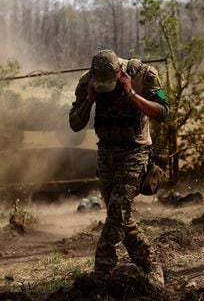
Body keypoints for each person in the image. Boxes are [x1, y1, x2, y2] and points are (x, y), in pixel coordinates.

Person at [69, 49, 169, 287]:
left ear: (119, 71)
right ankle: (151, 266)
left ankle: (102, 272)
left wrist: (132, 94)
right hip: (106, 154)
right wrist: (90, 100)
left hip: (136, 151)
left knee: (117, 212)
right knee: (121, 217)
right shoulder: (87, 82)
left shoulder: (143, 74)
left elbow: (163, 112)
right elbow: (74, 124)